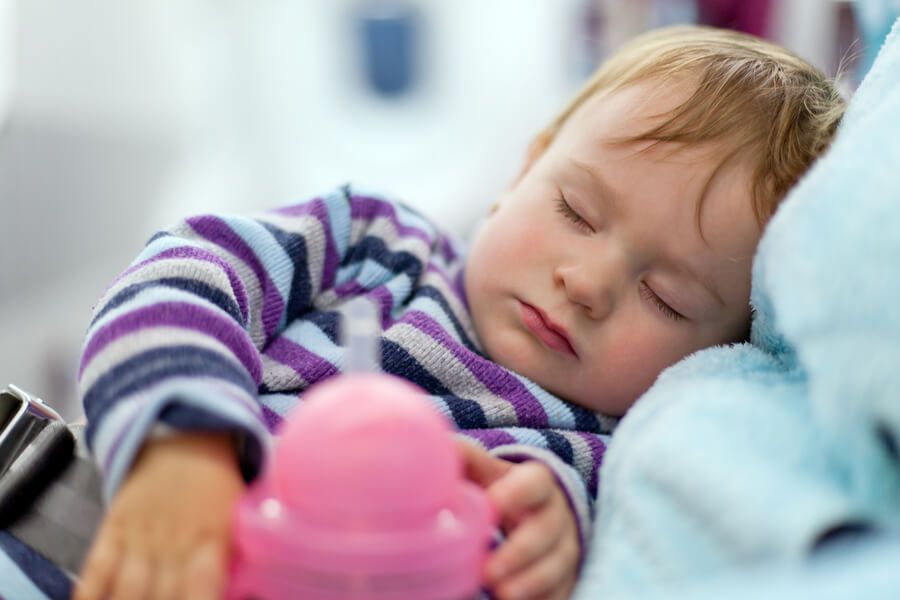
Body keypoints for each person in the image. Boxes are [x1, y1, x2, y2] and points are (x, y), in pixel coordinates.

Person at [71, 25, 845, 600]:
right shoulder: (374, 243)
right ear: (525, 168)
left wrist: (556, 539)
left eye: (665, 297)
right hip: (103, 539)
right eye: (577, 211)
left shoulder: (601, 454)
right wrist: (182, 446)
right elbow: (181, 276)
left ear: (720, 350)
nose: (587, 282)